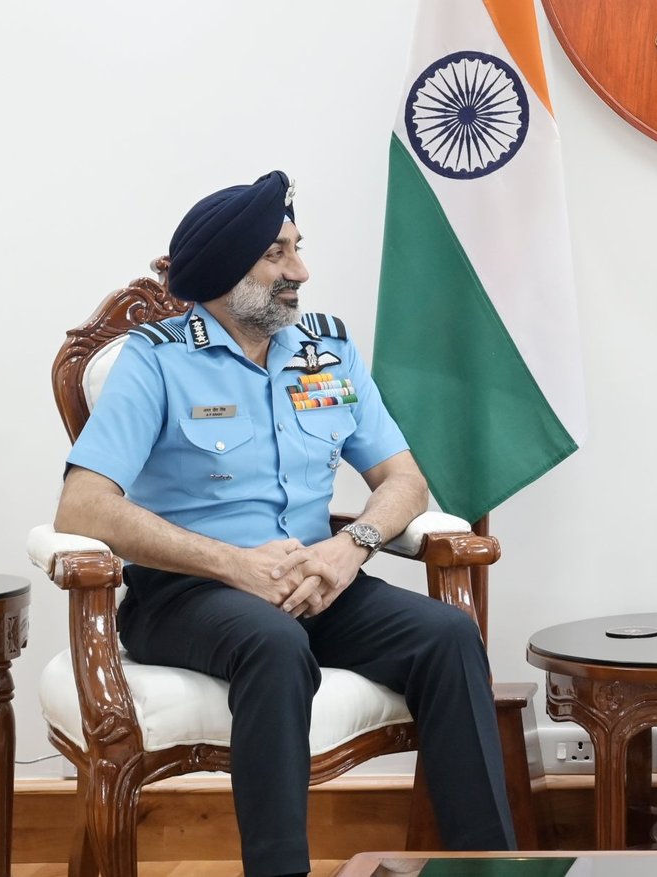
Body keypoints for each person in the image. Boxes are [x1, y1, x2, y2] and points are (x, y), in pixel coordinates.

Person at [54, 170, 516, 877]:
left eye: (298, 249)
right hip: (187, 594)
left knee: (448, 634)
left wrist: (349, 548)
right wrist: (235, 565)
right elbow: (83, 506)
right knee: (273, 643)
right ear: (224, 272)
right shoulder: (155, 361)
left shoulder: (327, 352)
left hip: (315, 579)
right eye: (277, 254)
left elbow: (404, 481)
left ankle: (487, 868)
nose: (300, 271)